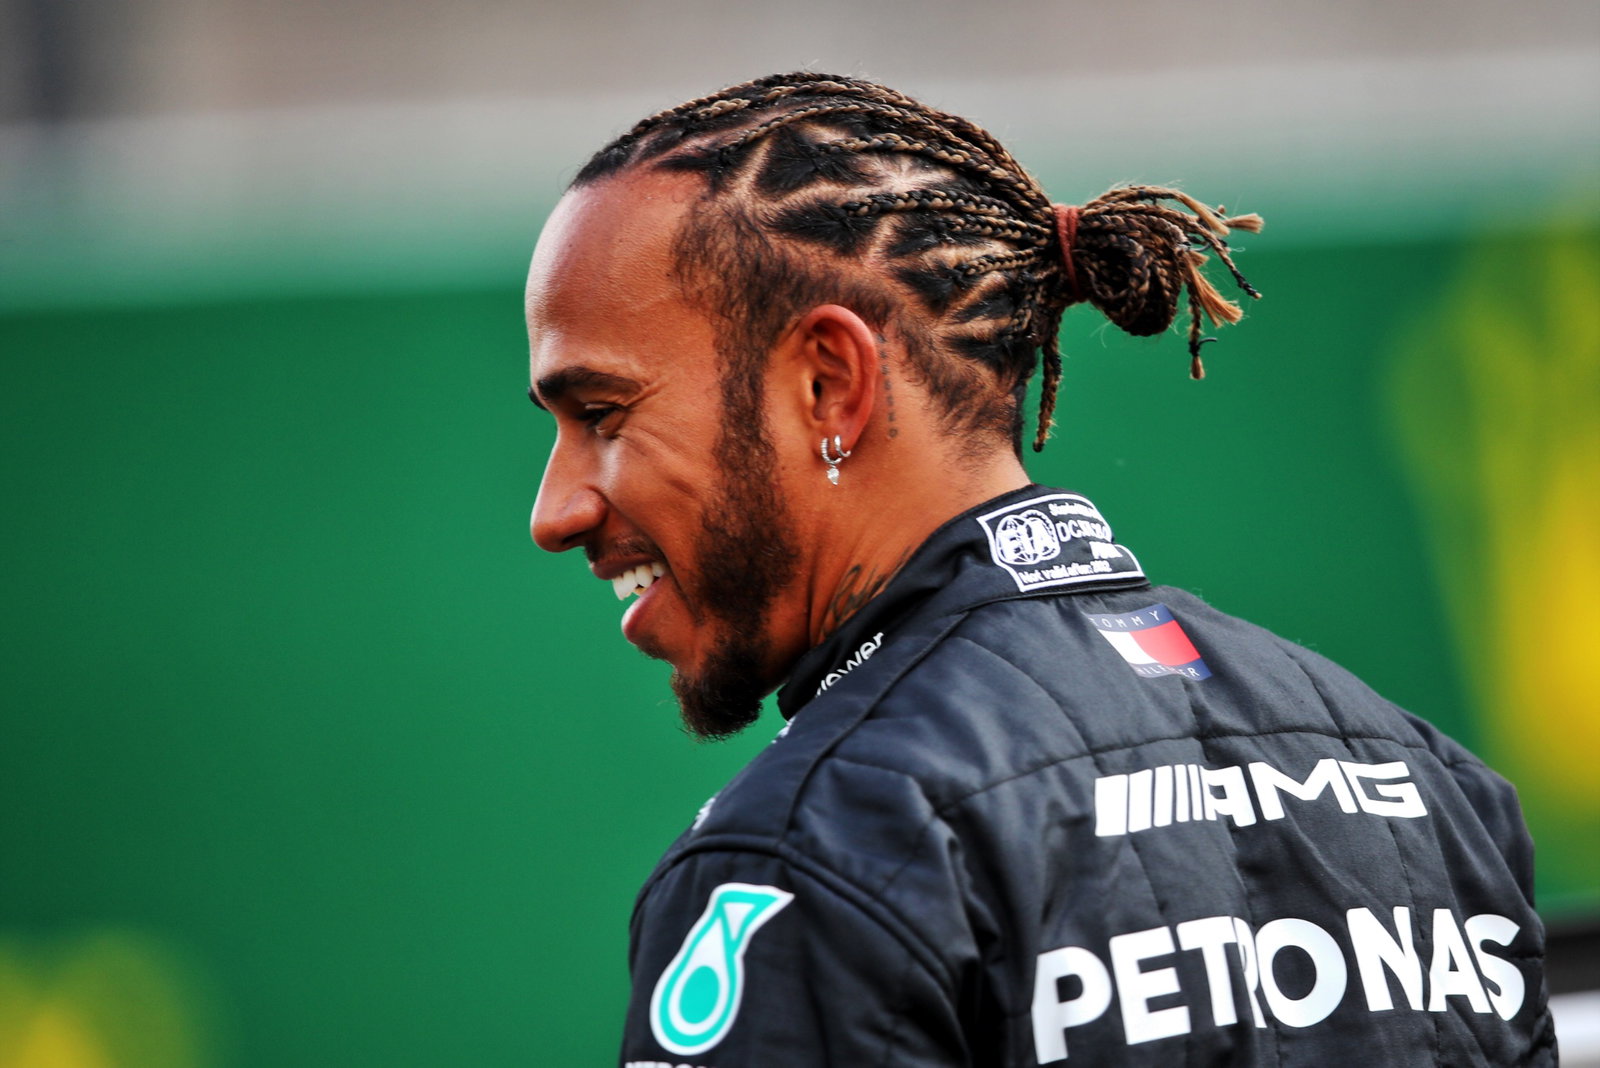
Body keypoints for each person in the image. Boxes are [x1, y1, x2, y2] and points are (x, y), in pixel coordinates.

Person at [524, 73, 1555, 1066]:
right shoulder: (1431, 784)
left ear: (829, 385)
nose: (553, 513)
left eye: (602, 415)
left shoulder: (801, 860)